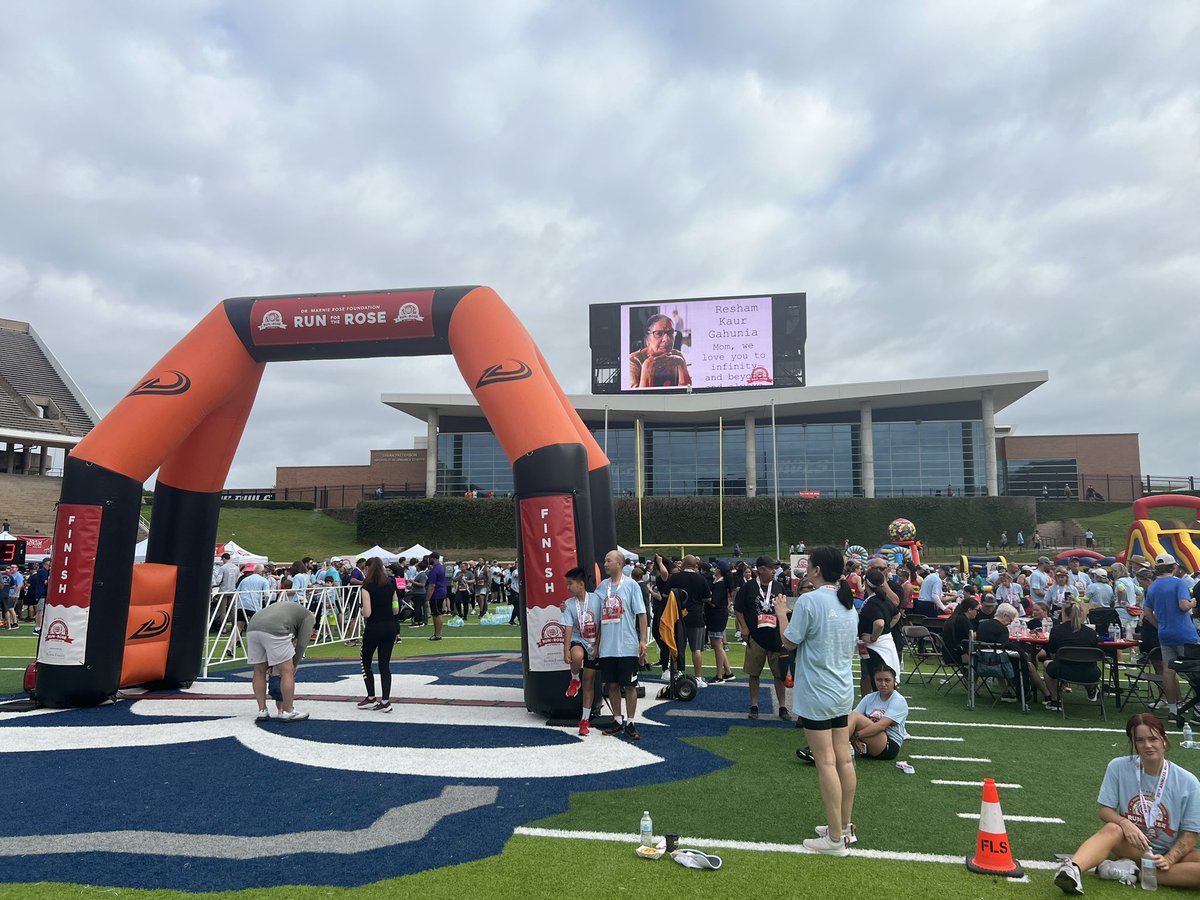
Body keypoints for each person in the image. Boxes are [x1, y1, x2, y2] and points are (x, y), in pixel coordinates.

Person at [772, 545, 858, 856]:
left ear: (817, 570)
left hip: (818, 690)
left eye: (810, 565)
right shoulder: (848, 602)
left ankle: (835, 839)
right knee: (843, 759)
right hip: (841, 689)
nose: (806, 569)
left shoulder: (810, 600)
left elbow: (789, 641)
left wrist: (781, 612)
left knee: (827, 761)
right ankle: (844, 827)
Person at [1054, 713, 1200, 894]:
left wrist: (1169, 859)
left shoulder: (1189, 781)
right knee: (1113, 828)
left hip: (1168, 852)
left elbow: (1191, 833)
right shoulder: (1118, 767)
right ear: (1134, 743)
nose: (1147, 745)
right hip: (1132, 847)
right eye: (1140, 740)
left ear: (1164, 740)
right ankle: (1072, 870)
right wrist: (1125, 823)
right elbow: (1105, 810)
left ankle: (1132, 873)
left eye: (1153, 739)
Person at [734, 556, 793, 721]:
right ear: (760, 569)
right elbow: (739, 609)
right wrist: (744, 627)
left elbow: (785, 608)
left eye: (775, 568)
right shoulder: (749, 587)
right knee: (754, 673)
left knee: (780, 675)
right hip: (756, 636)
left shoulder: (779, 586)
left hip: (776, 637)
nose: (774, 571)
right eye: (771, 568)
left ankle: (782, 706)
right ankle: (754, 705)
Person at [597, 549, 648, 740]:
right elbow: (594, 613)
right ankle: (617, 720)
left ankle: (631, 722)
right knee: (612, 685)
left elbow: (642, 614)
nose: (605, 564)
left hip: (627, 645)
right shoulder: (602, 587)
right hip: (608, 647)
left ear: (619, 564)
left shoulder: (632, 586)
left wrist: (643, 640)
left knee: (630, 686)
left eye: (608, 560)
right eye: (604, 560)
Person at [1143, 553, 1199, 721]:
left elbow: (1147, 612)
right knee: (1195, 670)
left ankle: (1174, 709)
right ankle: (1197, 708)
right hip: (1184, 632)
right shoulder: (1179, 583)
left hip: (1165, 633)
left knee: (1168, 672)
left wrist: (1159, 626)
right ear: (1174, 567)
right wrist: (1193, 603)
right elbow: (1183, 606)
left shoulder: (1152, 586)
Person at [246, 600, 315, 722]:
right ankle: (288, 710)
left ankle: (262, 710)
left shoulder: (286, 608)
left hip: (252, 628)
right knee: (287, 671)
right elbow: (302, 645)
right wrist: (294, 663)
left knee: (259, 670)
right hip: (276, 629)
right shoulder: (309, 617)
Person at [657, 554, 711, 686]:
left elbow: (664, 594)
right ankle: (698, 677)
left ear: (683, 564)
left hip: (678, 616)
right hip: (696, 615)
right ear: (695, 565)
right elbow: (708, 598)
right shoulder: (701, 578)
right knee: (696, 649)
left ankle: (676, 672)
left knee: (676, 647)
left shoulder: (675, 578)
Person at [560, 566, 601, 735]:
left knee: (589, 682)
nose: (567, 587)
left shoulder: (597, 600)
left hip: (594, 642)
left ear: (581, 584)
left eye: (570, 584)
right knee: (576, 656)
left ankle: (584, 720)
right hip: (579, 639)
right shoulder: (569, 604)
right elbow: (568, 627)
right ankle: (574, 679)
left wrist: (598, 645)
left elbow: (602, 624)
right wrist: (566, 650)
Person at [356, 557, 399, 713]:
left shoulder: (366, 587)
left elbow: (367, 612)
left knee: (365, 661)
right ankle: (386, 700)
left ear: (368, 569)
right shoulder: (389, 585)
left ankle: (371, 696)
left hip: (374, 628)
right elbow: (396, 609)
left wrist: (361, 611)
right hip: (390, 627)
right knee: (384, 664)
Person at [1042, 600, 1103, 709]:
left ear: (1064, 614)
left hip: (1064, 671)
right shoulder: (1091, 633)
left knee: (1047, 663)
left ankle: (1055, 700)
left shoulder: (1056, 631)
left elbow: (1053, 656)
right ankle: (1091, 688)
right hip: (1091, 674)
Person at [628, 313, 691, 388]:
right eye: (659, 333)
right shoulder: (633, 360)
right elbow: (637, 397)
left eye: (670, 333)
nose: (666, 339)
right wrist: (648, 367)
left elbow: (687, 393)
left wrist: (681, 365)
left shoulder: (677, 356)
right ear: (647, 338)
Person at [706, 560, 735, 683]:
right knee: (718, 645)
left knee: (717, 646)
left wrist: (705, 599)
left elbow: (714, 602)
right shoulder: (719, 583)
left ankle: (719, 675)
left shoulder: (720, 584)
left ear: (718, 570)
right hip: (718, 616)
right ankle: (728, 672)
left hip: (717, 616)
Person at [427, 552, 448, 641]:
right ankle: (437, 633)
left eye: (429, 558)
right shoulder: (441, 567)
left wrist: (427, 598)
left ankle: (438, 635)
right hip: (441, 592)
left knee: (437, 614)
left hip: (436, 594)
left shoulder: (434, 570)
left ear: (433, 559)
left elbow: (432, 586)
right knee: (436, 613)